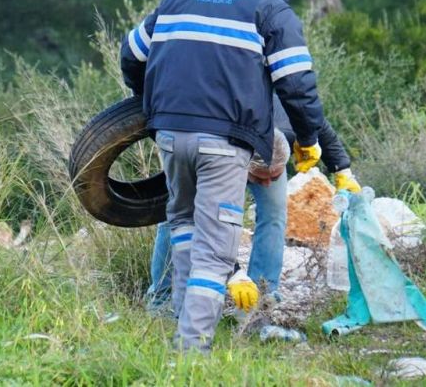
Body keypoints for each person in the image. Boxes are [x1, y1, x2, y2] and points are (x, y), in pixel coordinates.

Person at [120, 0, 326, 352]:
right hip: (225, 143)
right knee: (216, 252)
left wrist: (151, 102)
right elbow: (297, 86)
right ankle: (191, 352)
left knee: (182, 224)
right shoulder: (271, 10)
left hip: (171, 135)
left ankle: (175, 322)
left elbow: (131, 53)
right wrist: (308, 139)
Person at [146, 93, 361, 314]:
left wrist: (343, 170)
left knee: (275, 214)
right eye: (260, 179)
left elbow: (319, 124)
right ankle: (162, 299)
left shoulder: (289, 129)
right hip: (214, 136)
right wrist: (235, 273)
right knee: (177, 214)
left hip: (263, 130)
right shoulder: (217, 153)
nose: (267, 184)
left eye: (275, 176)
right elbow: (209, 222)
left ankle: (261, 301)